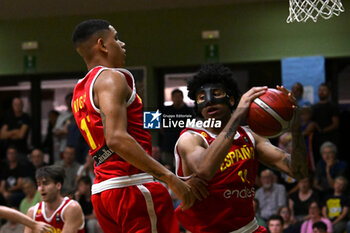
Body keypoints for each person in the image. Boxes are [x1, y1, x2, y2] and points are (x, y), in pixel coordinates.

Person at [71, 19, 201, 233]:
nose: (122, 44)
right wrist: (169, 177)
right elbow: (117, 139)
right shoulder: (112, 78)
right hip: (131, 186)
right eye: (117, 39)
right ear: (102, 45)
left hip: (104, 191)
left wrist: (189, 122)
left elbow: (131, 126)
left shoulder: (79, 90)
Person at [174, 63, 308, 232]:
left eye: (217, 94)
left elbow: (299, 171)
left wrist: (295, 128)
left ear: (231, 100)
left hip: (248, 228)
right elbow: (204, 169)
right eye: (201, 98)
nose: (209, 101)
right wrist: (238, 114)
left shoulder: (251, 136)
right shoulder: (191, 138)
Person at [25, 165, 85, 233]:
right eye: (39, 184)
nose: (41, 188)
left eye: (45, 183)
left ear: (58, 185)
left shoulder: (71, 208)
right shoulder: (32, 212)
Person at [160, 89, 194, 170]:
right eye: (175, 97)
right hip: (168, 143)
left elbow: (192, 126)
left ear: (182, 98)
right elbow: (160, 126)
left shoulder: (189, 111)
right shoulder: (166, 110)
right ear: (172, 98)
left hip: (184, 143)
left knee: (182, 168)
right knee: (167, 166)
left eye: (179, 96)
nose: (177, 99)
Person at [311, 83, 339, 163]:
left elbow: (335, 124)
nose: (321, 92)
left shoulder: (332, 106)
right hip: (316, 140)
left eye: (324, 90)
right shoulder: (313, 107)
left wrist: (323, 130)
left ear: (329, 92)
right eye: (320, 90)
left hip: (330, 138)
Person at [52, 93, 74, 163]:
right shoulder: (62, 116)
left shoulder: (79, 113)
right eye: (68, 100)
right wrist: (63, 131)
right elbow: (55, 131)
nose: (70, 101)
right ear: (66, 101)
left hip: (76, 147)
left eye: (72, 99)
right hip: (63, 146)